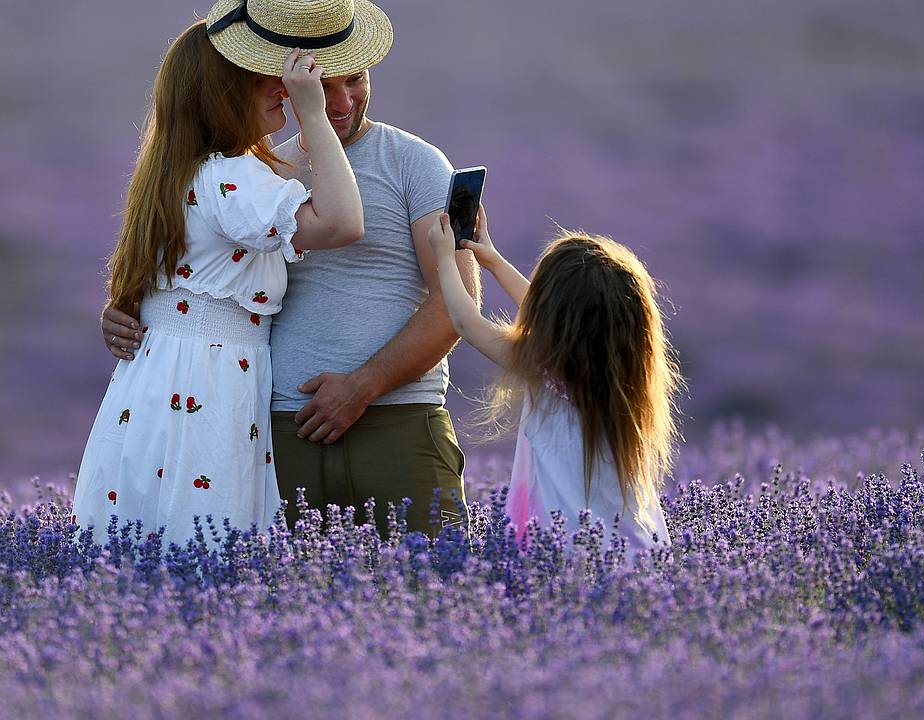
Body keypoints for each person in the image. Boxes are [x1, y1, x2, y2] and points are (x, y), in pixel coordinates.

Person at [101, 0, 480, 536]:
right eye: (323, 85)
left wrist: (362, 386)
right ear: (287, 83)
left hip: (397, 419)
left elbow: (456, 303)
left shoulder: (417, 163)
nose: (343, 101)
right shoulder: (260, 173)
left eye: (356, 79)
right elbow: (202, 272)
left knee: (432, 592)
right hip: (280, 426)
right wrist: (130, 312)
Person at [72, 13, 364, 545]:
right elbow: (344, 222)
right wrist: (315, 115)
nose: (278, 87)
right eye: (259, 79)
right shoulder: (232, 175)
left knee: (142, 541)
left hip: (156, 381)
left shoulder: (178, 169)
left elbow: (284, 169)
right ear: (223, 93)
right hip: (209, 385)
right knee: (206, 541)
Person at [427, 208, 681, 552]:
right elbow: (555, 316)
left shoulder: (544, 371)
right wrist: (493, 260)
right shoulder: (627, 379)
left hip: (563, 554)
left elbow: (466, 322)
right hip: (634, 550)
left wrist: (444, 259)